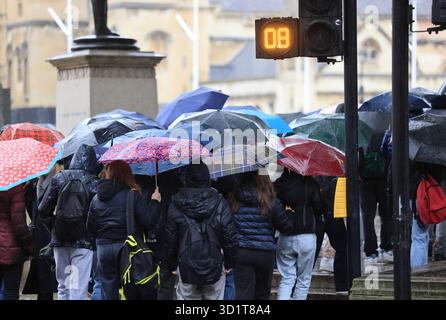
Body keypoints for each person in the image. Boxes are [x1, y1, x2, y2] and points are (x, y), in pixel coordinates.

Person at [87, 160, 161, 300]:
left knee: (108, 291)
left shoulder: (96, 198)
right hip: (126, 247)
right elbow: (148, 222)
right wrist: (155, 202)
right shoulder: (132, 195)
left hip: (103, 248)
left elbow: (90, 228)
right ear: (127, 174)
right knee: (129, 290)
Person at [166, 163, 238, 300]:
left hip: (186, 263)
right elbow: (229, 235)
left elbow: (171, 237)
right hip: (214, 263)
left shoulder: (176, 202)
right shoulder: (220, 201)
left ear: (186, 178)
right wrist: (230, 262)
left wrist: (172, 264)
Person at [38, 145, 99, 300]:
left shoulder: (59, 178)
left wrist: (54, 226)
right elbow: (97, 213)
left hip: (60, 239)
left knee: (63, 285)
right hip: (84, 242)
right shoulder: (94, 182)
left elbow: (43, 209)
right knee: (78, 287)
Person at [228, 171, 293, 300]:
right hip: (265, 252)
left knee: (243, 293)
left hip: (242, 251)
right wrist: (289, 214)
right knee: (262, 294)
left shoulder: (233, 198)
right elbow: (285, 226)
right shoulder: (271, 200)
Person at [274, 170, 323, 300]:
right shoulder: (311, 184)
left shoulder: (280, 184)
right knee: (304, 279)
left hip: (285, 235)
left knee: (287, 277)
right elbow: (319, 208)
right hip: (307, 236)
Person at [359, 134, 394, 264]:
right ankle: (386, 247)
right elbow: (390, 156)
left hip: (365, 182)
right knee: (386, 215)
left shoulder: (361, 132)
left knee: (368, 218)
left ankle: (371, 252)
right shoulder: (385, 133)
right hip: (383, 180)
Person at [0, 185, 37, 300]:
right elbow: (19, 225)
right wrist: (30, 246)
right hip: (10, 248)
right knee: (10, 291)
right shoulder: (14, 187)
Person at [313, 176, 349, 293]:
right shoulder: (335, 166)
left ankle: (342, 287)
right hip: (332, 211)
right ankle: (342, 287)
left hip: (319, 213)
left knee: (312, 252)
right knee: (343, 248)